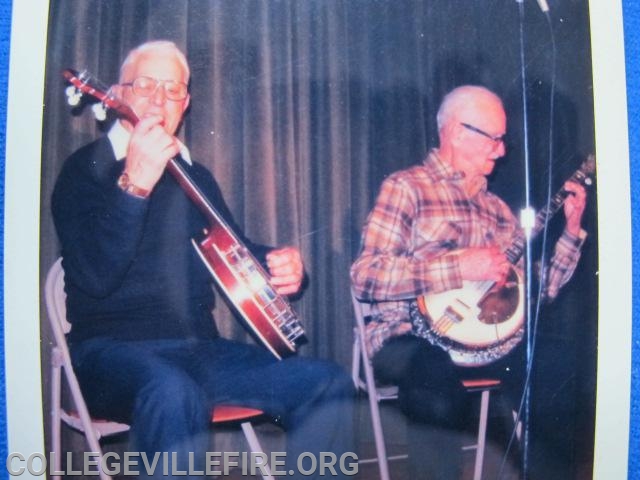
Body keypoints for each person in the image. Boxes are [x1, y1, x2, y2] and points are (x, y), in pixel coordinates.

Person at [52, 40, 354, 479]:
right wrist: (134, 184)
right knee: (174, 392)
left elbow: (234, 249)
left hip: (199, 351)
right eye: (146, 85)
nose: (159, 99)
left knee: (329, 383)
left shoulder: (195, 176)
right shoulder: (84, 170)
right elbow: (93, 276)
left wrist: (280, 264)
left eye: (173, 90)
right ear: (118, 93)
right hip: (110, 353)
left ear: (185, 103)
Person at [350, 85, 587, 479]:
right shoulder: (406, 188)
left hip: (487, 344)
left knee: (556, 366)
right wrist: (461, 267)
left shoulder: (495, 210)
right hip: (408, 337)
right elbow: (366, 276)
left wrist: (572, 232)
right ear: (458, 133)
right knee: (434, 382)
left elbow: (536, 292)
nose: (501, 150)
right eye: (494, 138)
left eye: (502, 140)